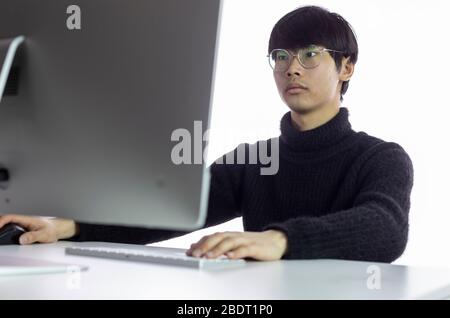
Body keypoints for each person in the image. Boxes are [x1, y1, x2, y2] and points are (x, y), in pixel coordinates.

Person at [0, 5, 413, 263]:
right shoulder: (255, 160)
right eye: (281, 56)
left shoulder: (381, 158)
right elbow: (167, 208)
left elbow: (385, 229)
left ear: (347, 67)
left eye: (310, 55)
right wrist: (66, 225)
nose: (292, 68)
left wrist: (279, 239)